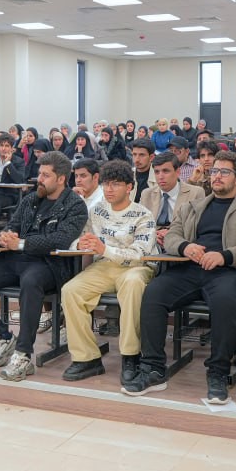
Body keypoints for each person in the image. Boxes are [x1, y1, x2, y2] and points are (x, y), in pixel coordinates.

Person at [124, 151, 236, 402]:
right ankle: (153, 368)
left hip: (230, 271)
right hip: (190, 268)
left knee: (226, 302)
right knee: (153, 293)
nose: (217, 176)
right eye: (214, 171)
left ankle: (218, 372)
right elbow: (172, 236)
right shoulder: (193, 206)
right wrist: (185, 247)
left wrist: (225, 255)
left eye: (224, 172)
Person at [0, 152, 89, 381]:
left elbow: (61, 239)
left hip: (50, 264)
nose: (39, 179)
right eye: (40, 173)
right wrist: (6, 236)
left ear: (61, 179)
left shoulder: (75, 205)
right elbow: (13, 224)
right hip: (16, 260)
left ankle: (23, 353)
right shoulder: (31, 199)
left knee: (31, 282)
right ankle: (3, 336)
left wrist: (20, 243)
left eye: (46, 175)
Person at [59, 160, 156, 382]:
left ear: (129, 187)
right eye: (106, 184)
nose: (109, 189)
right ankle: (87, 358)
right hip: (105, 266)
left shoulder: (143, 215)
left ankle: (131, 356)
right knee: (71, 290)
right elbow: (78, 239)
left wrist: (104, 249)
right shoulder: (97, 211)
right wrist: (80, 244)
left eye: (116, 184)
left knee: (132, 285)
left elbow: (140, 254)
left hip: (137, 267)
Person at [141, 152, 205, 250]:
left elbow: (196, 226)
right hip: (152, 244)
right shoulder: (147, 194)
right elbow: (141, 225)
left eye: (165, 171)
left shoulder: (195, 193)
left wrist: (171, 234)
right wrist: (154, 235)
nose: (160, 176)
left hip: (181, 243)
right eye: (157, 172)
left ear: (178, 172)